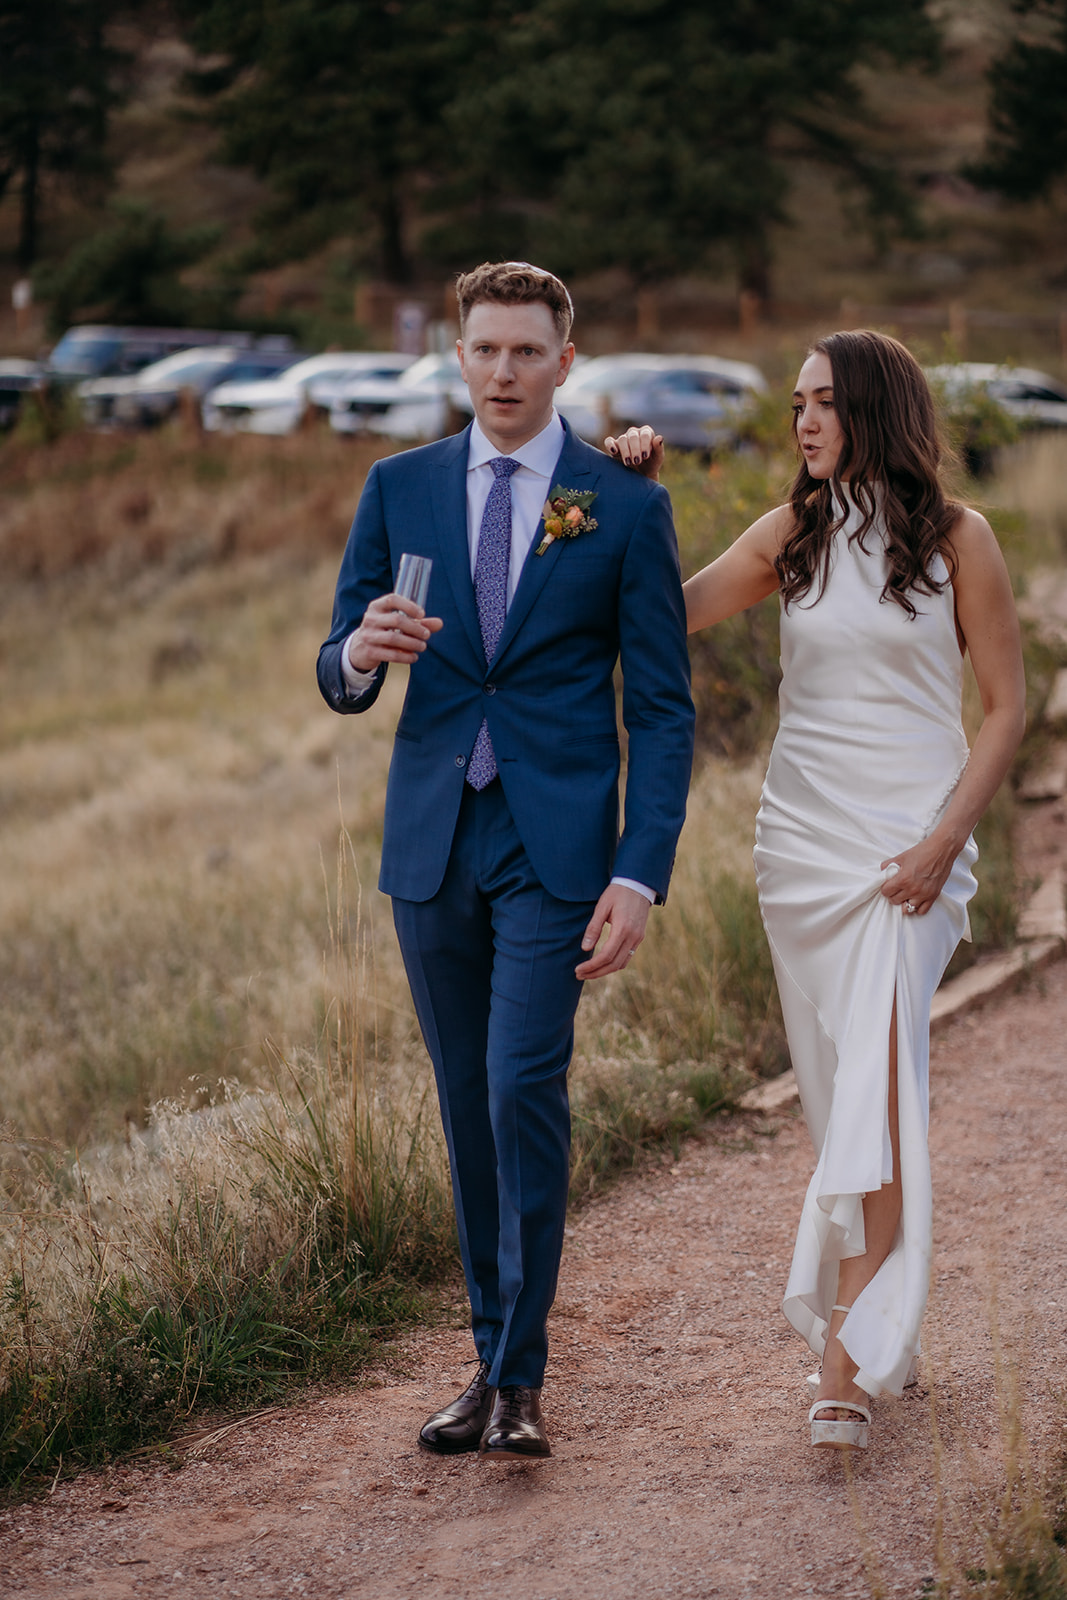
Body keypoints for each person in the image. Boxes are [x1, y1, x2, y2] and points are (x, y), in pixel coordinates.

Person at [609, 329, 1025, 1450]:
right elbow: (665, 608)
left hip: (908, 850)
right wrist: (635, 497)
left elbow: (1003, 708)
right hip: (801, 844)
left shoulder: (955, 538)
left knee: (877, 1090)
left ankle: (841, 1362)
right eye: (794, 402)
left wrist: (944, 840)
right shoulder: (792, 532)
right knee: (844, 1088)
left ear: (876, 409)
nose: (801, 422)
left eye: (824, 403)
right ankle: (883, 1306)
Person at [317, 262, 695, 1461]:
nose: (502, 372)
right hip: (433, 838)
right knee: (462, 1109)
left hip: (557, 849)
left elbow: (665, 710)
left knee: (517, 1088)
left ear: (564, 361)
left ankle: (519, 1380)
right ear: (458, 357)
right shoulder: (399, 487)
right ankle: (485, 1363)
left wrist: (639, 874)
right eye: (483, 349)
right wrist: (359, 657)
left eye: (526, 351)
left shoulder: (621, 503)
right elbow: (337, 663)